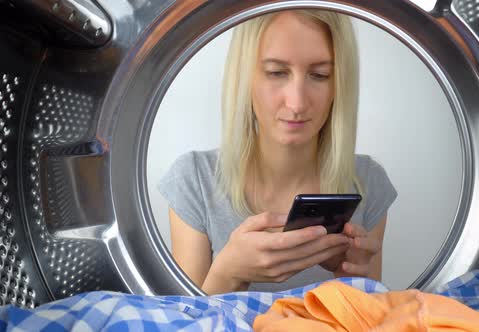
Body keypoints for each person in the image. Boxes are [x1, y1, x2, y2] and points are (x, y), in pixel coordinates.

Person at [158, 9, 397, 294]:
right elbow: (182, 322)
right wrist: (228, 272)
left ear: (339, 85)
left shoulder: (368, 183)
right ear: (244, 77)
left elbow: (366, 319)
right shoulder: (194, 180)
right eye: (276, 72)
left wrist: (358, 281)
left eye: (319, 75)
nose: (296, 103)